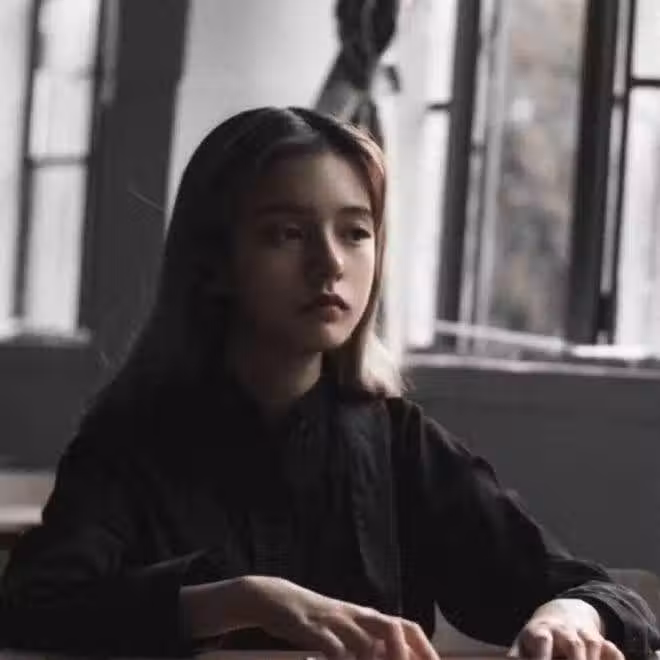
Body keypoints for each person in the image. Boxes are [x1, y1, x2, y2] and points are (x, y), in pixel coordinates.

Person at [0, 106, 657, 660]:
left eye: (355, 232)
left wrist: (569, 616)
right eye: (286, 234)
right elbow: (31, 607)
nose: (330, 263)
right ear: (213, 263)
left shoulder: (399, 443)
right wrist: (245, 600)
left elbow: (598, 593)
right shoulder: (131, 443)